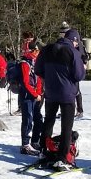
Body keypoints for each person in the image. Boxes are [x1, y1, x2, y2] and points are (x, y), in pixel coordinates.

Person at [34, 28, 86, 168]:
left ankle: (44, 151)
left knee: (48, 122)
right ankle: (62, 158)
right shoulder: (73, 52)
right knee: (66, 127)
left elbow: (37, 69)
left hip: (50, 92)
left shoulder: (47, 49)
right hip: (67, 94)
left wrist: (49, 77)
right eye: (77, 42)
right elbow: (79, 75)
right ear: (74, 40)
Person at [12, 47, 43, 153]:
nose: (37, 53)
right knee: (27, 120)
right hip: (26, 95)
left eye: (38, 51)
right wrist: (35, 94)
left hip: (34, 95)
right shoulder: (25, 64)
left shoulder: (34, 62)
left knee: (38, 119)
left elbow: (38, 78)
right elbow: (25, 82)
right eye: (35, 51)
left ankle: (35, 141)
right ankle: (25, 144)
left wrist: (38, 93)